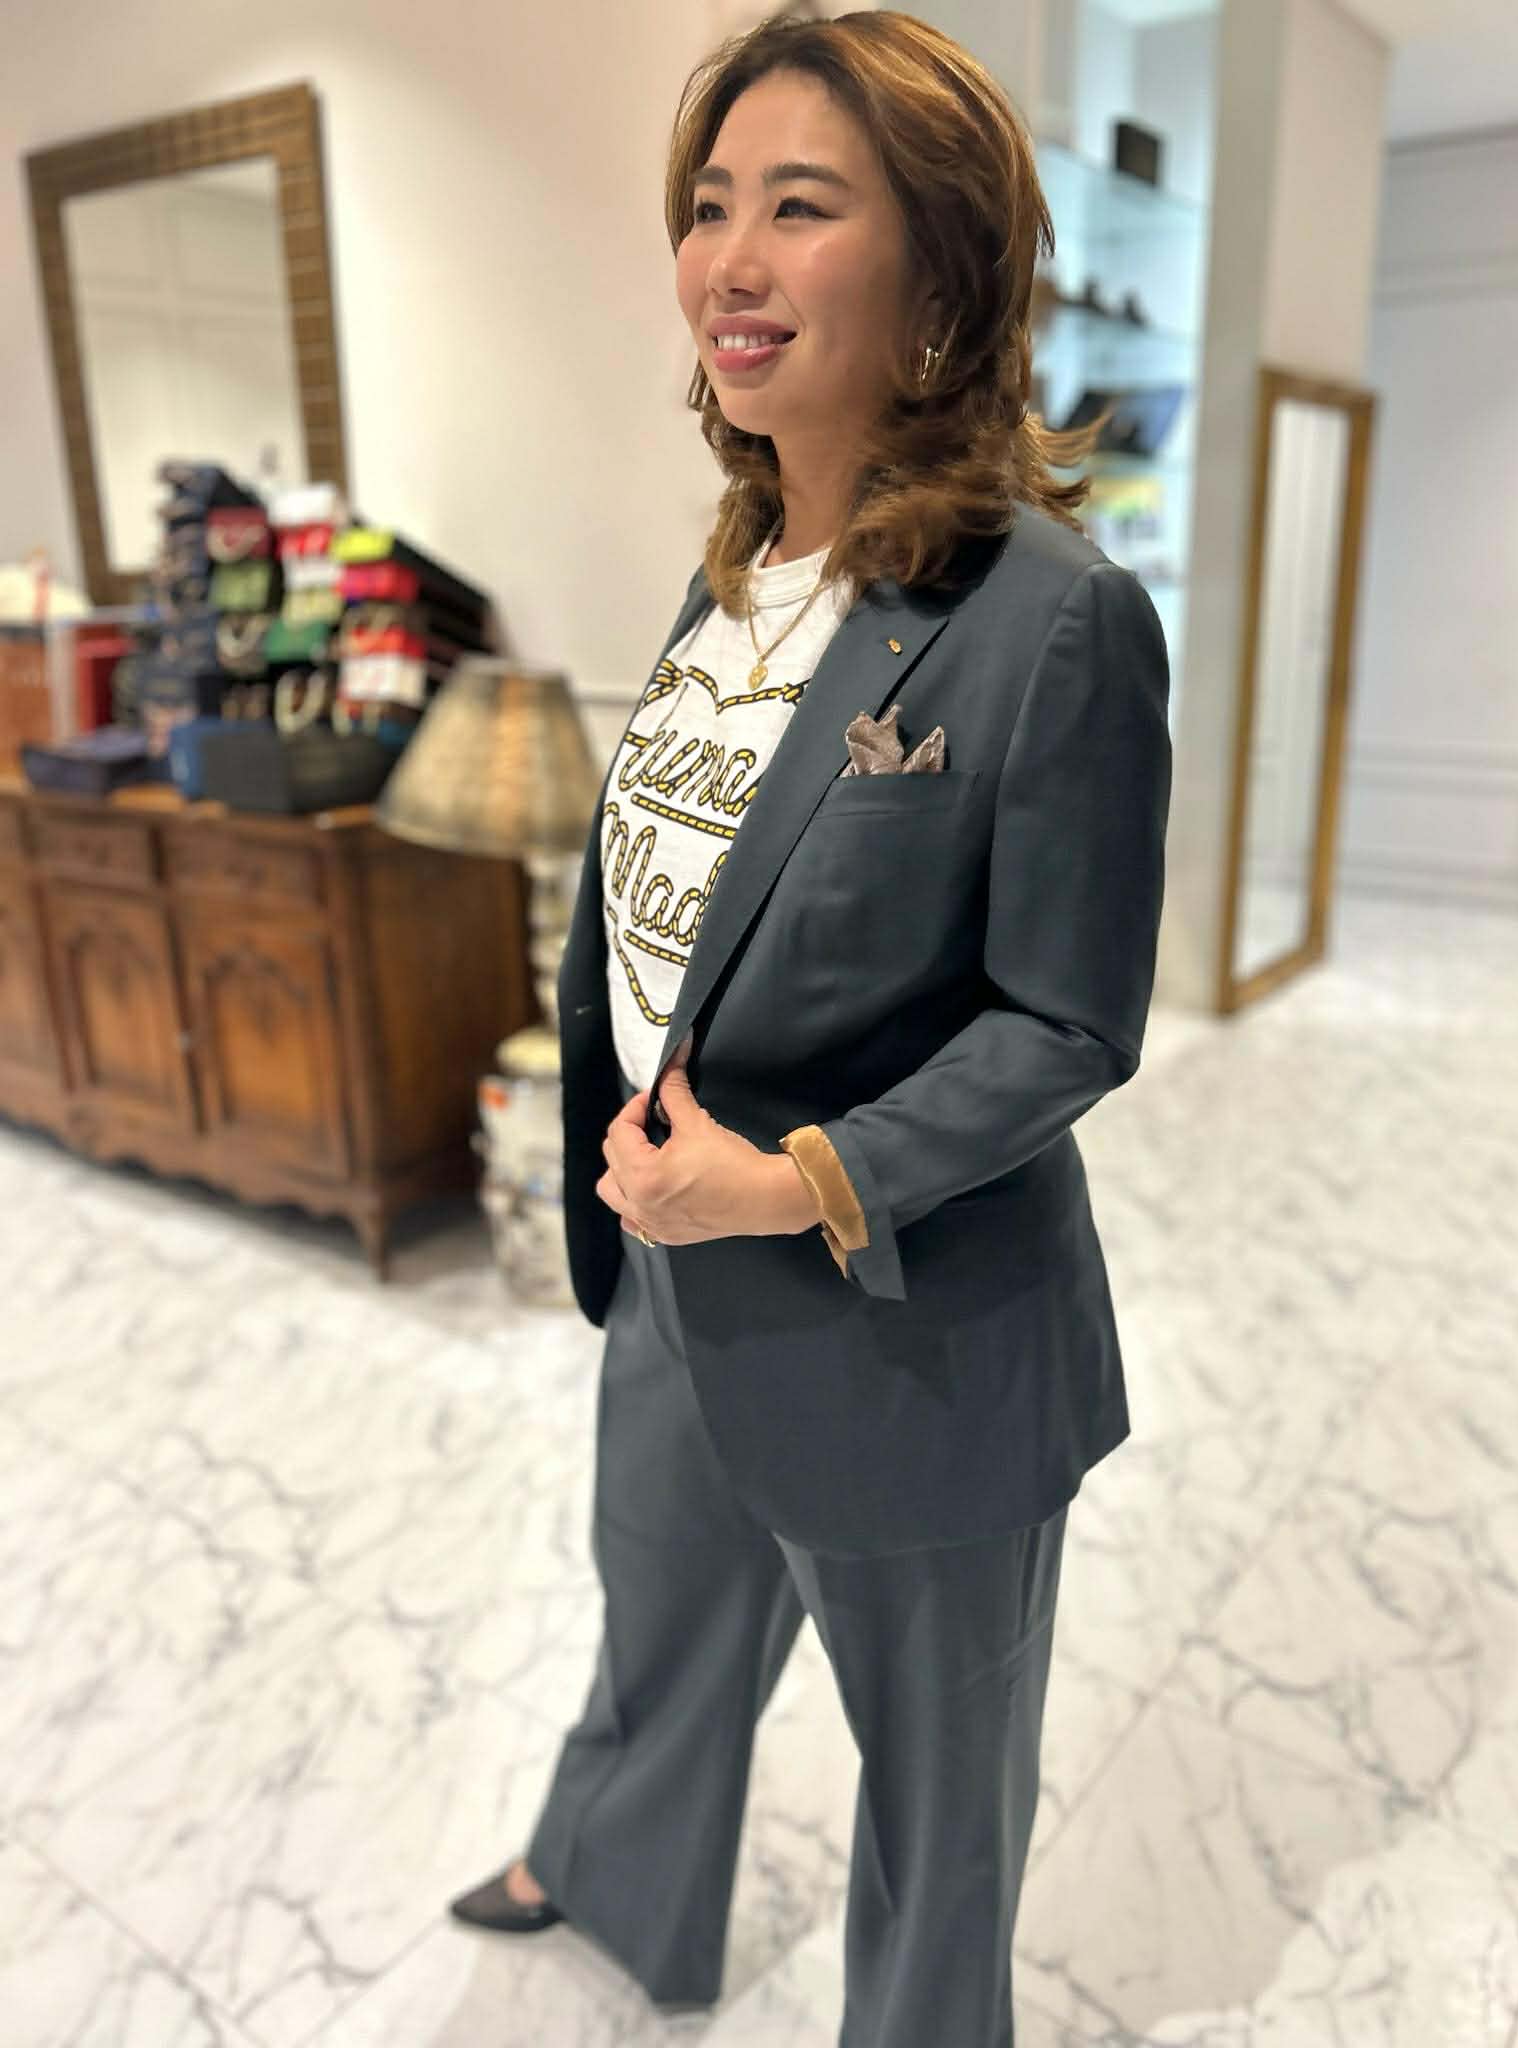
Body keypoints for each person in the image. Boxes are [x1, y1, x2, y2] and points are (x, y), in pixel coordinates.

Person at [448, 11, 1172, 2044]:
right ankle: (607, 1861)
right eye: (709, 207)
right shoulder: (732, 578)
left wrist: (794, 1181)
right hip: (679, 1270)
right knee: (660, 1614)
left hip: (911, 1319)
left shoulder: (1053, 618)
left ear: (939, 268)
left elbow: (1067, 1020)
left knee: (939, 1795)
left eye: (799, 206)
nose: (730, 261)